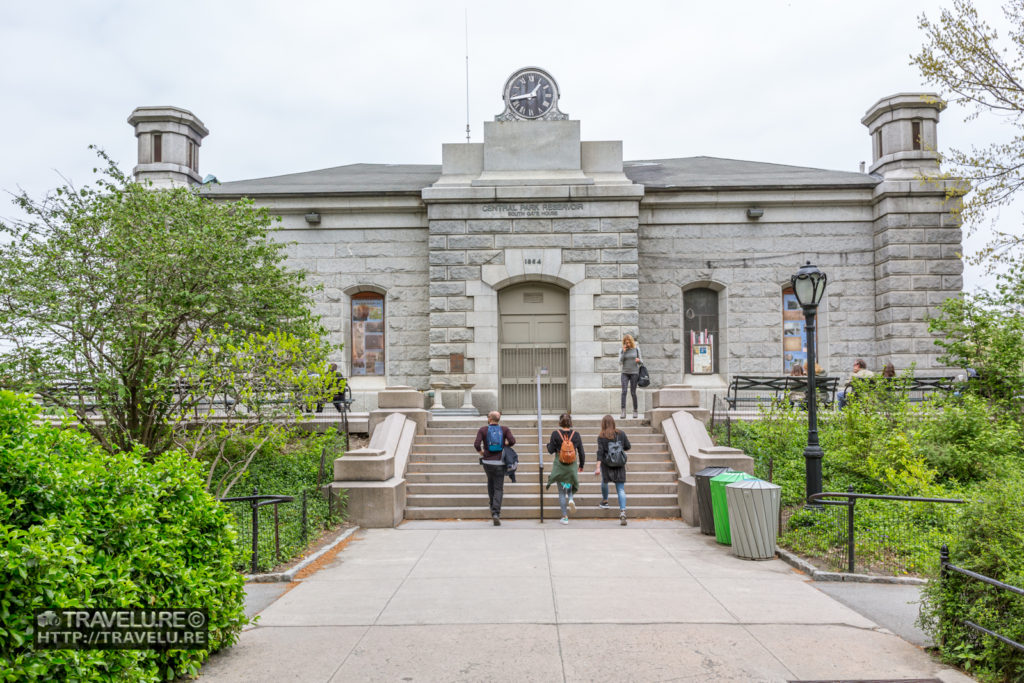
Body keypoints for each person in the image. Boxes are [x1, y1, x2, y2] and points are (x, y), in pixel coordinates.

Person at [474, 411, 516, 526]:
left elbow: (476, 444)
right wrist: (504, 446)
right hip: (500, 462)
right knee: (498, 488)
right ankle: (496, 513)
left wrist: (481, 452)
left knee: (490, 482)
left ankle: (492, 506)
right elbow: (512, 441)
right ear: (499, 419)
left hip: (487, 462)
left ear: (489, 419)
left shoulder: (483, 430)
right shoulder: (504, 429)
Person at [546, 413, 585, 525]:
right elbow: (581, 451)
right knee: (569, 484)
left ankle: (565, 517)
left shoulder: (555, 434)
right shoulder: (576, 435)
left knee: (561, 492)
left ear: (560, 422)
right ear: (570, 422)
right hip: (572, 465)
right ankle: (571, 498)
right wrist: (581, 465)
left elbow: (550, 450)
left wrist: (547, 445)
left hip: (560, 464)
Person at [594, 414, 631, 525]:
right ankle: (623, 511)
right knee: (620, 489)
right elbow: (628, 446)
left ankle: (605, 501)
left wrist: (597, 467)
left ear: (603, 424)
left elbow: (600, 453)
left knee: (604, 482)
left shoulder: (601, 436)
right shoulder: (621, 434)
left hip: (607, 464)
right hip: (619, 464)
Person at [619, 334, 643, 419]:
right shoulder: (622, 349)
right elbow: (620, 362)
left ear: (631, 342)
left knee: (633, 392)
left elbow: (641, 362)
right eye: (626, 343)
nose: (628, 344)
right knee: (624, 391)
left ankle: (635, 410)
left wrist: (638, 360)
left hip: (634, 373)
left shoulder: (636, 349)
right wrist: (623, 352)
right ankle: (623, 411)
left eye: (629, 342)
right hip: (625, 372)